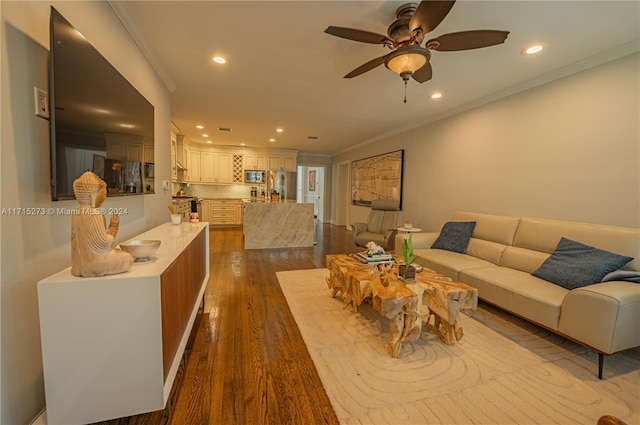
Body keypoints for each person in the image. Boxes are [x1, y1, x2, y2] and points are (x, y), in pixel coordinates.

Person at [70, 171, 133, 277]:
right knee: (127, 258)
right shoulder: (94, 214)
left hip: (78, 265)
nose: (104, 197)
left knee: (118, 252)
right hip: (94, 264)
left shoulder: (76, 213)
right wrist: (113, 228)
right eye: (102, 193)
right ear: (92, 194)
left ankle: (79, 268)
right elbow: (103, 244)